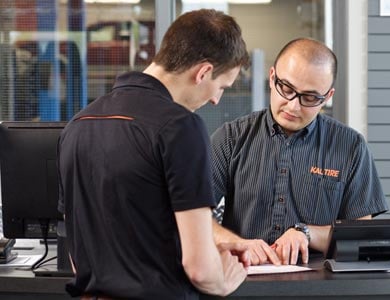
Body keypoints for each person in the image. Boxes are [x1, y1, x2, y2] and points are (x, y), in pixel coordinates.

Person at [57, 9, 250, 299]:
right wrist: (223, 279)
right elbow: (199, 269)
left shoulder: (78, 124)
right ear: (204, 72)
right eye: (221, 87)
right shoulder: (181, 127)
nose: (215, 99)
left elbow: (78, 251)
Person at [210, 38, 388, 266]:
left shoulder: (350, 147)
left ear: (328, 96)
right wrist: (238, 243)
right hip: (243, 279)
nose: (293, 106)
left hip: (321, 285)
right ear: (272, 77)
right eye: (286, 89)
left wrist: (307, 233)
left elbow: (361, 236)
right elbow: (196, 220)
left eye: (310, 98)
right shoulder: (231, 138)